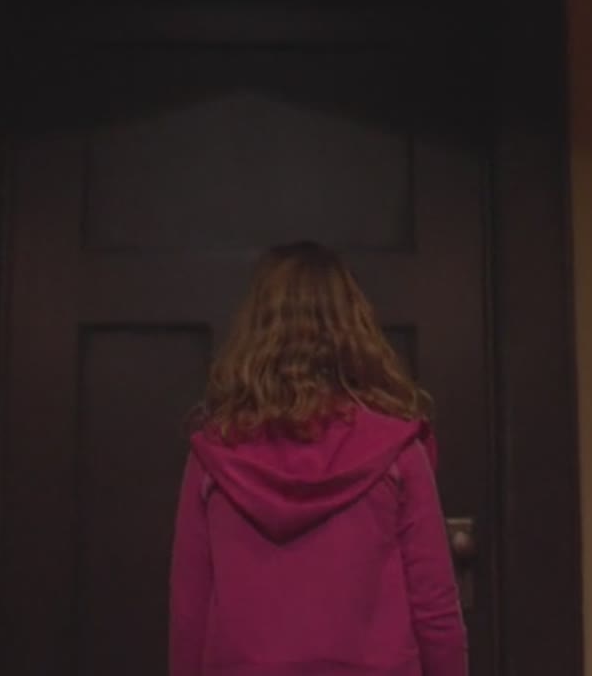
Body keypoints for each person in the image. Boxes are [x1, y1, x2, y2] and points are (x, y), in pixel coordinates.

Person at [169, 241, 468, 676]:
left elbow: (189, 614)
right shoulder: (399, 450)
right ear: (353, 329)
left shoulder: (215, 453)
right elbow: (435, 607)